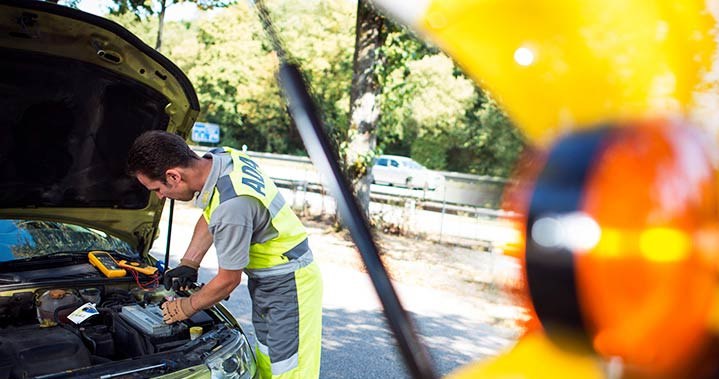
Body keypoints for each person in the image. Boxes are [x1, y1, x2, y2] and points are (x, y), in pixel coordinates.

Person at [126, 130, 323, 379]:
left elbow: (228, 281)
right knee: (268, 356)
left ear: (173, 176)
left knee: (291, 369)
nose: (160, 196)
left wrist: (184, 308)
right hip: (269, 278)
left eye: (157, 188)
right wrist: (189, 263)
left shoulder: (233, 207)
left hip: (290, 284)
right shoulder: (223, 158)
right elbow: (211, 213)